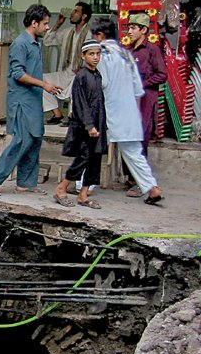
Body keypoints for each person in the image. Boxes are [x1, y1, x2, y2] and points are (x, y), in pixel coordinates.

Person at [0, 4, 60, 196]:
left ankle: (26, 182)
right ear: (33, 23)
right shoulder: (20, 44)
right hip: (21, 100)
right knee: (23, 139)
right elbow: (18, 74)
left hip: (33, 100)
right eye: (44, 23)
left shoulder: (35, 43)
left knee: (35, 139)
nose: (47, 27)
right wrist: (44, 85)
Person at [91, 17, 163, 205]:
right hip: (128, 110)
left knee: (90, 148)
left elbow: (101, 83)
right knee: (133, 152)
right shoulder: (126, 54)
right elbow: (138, 89)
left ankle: (83, 186)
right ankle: (151, 187)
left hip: (109, 109)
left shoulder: (101, 54)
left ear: (100, 35)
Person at [53, 40, 107, 209]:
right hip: (85, 125)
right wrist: (89, 125)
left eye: (98, 54)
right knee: (83, 158)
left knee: (94, 160)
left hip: (97, 123)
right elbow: (80, 104)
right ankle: (62, 188)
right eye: (91, 54)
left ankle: (83, 194)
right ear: (83, 56)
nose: (95, 57)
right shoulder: (81, 76)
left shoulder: (97, 75)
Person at [124, 12, 167, 197]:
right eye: (129, 28)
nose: (130, 31)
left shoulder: (152, 49)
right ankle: (130, 178)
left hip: (146, 99)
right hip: (130, 99)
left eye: (134, 28)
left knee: (141, 137)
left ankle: (140, 182)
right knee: (128, 136)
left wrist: (142, 83)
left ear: (143, 30)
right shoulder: (130, 50)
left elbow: (162, 74)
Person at [43, 2, 92, 125]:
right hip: (64, 73)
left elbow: (94, 55)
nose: (72, 14)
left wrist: (84, 68)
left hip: (79, 73)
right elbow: (47, 41)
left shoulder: (90, 34)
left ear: (84, 16)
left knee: (79, 79)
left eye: (76, 11)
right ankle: (57, 114)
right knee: (42, 80)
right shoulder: (67, 32)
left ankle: (72, 117)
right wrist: (58, 24)